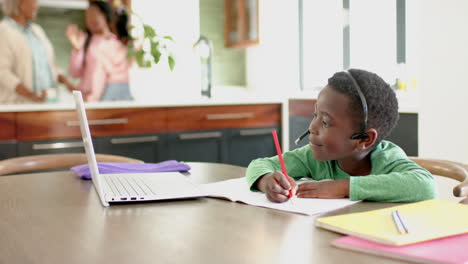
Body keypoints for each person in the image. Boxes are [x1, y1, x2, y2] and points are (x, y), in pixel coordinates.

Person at [246, 69, 437, 203]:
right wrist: (266, 180)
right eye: (315, 115)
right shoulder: (311, 157)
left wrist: (343, 187)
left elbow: (426, 186)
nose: (312, 127)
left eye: (326, 122)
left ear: (364, 139)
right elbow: (258, 165)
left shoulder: (386, 159)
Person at [0, 0, 67, 103]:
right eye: (34, 2)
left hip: (47, 102)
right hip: (18, 106)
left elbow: (50, 65)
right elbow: (3, 72)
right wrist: (31, 95)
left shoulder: (37, 30)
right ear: (21, 3)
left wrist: (69, 85)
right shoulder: (3, 30)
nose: (37, 6)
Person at [64, 0, 132, 102]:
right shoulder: (84, 40)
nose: (90, 19)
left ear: (104, 15)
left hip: (99, 100)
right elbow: (74, 73)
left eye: (94, 14)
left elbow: (105, 76)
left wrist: (93, 99)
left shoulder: (114, 44)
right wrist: (77, 49)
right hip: (87, 99)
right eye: (87, 16)